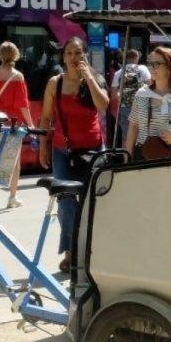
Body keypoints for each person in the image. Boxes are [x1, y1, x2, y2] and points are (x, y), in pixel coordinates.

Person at [38, 37, 109, 273]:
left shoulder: (94, 80)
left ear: (85, 55)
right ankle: (70, 252)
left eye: (78, 53)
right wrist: (43, 145)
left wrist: (89, 77)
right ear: (63, 56)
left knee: (91, 203)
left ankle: (91, 251)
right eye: (69, 53)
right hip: (63, 151)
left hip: (92, 151)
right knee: (66, 203)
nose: (73, 57)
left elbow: (104, 105)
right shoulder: (54, 84)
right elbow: (46, 118)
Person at [0, 42, 35, 209]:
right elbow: (22, 105)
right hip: (12, 124)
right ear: (16, 55)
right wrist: (31, 124)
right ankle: (12, 197)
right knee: (15, 161)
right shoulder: (18, 76)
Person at [124, 47, 171, 159]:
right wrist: (127, 159)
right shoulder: (142, 94)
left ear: (169, 67)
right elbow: (133, 127)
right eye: (150, 63)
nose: (152, 68)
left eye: (157, 64)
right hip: (144, 154)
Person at [111, 49, 151, 147]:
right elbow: (151, 85)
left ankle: (127, 159)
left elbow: (113, 95)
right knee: (143, 136)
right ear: (137, 58)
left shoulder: (118, 73)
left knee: (126, 136)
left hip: (125, 108)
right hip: (142, 107)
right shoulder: (143, 69)